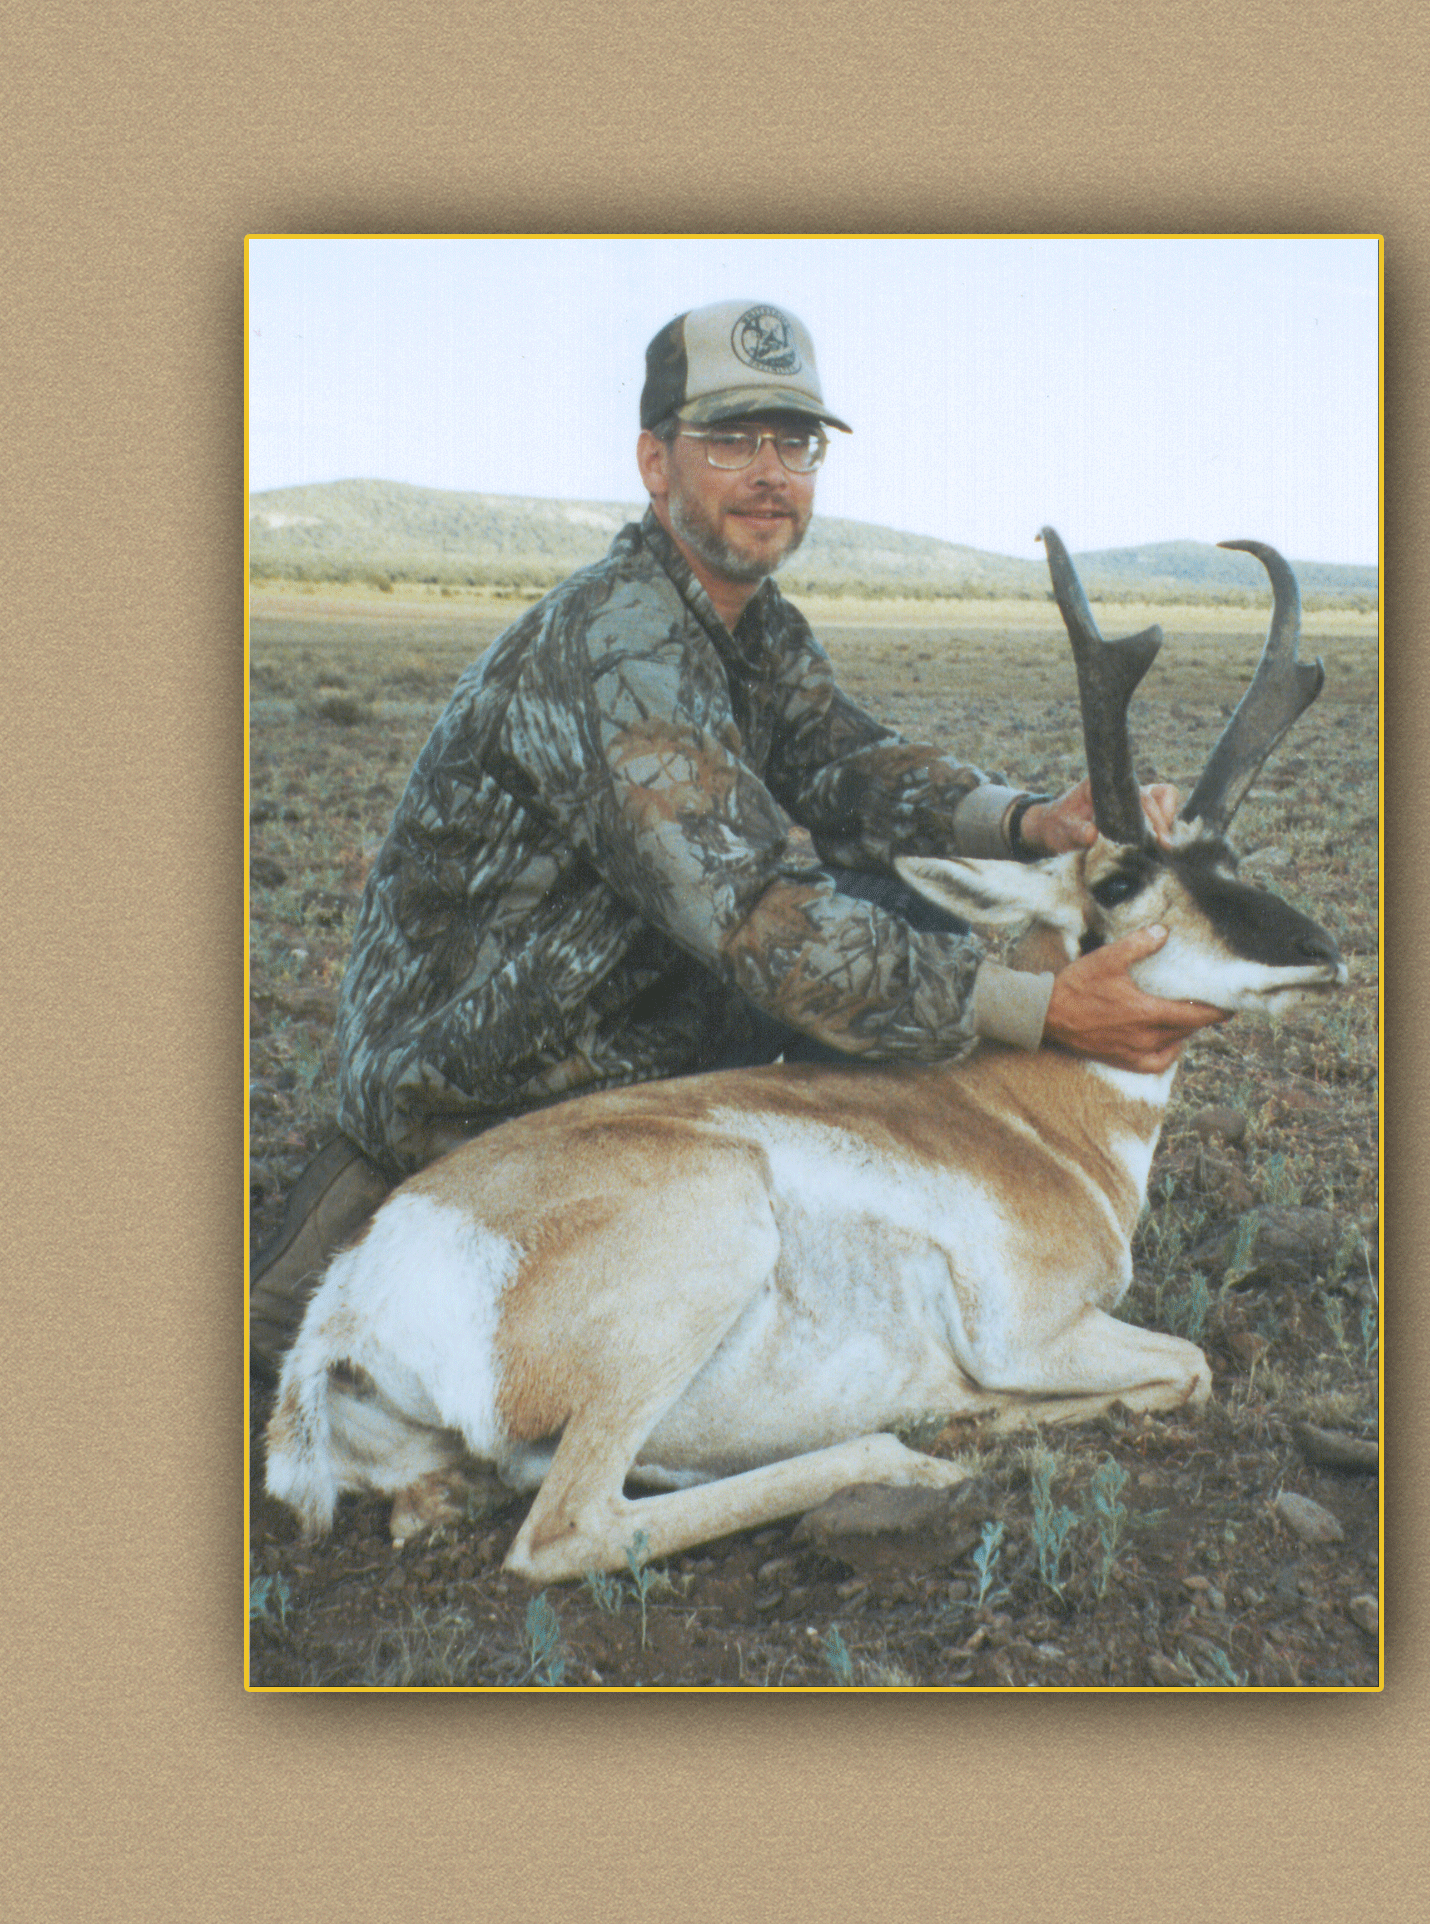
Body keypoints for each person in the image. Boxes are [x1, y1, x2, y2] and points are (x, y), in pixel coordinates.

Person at [249, 299, 1225, 1376]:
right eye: (728, 440)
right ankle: (369, 1229)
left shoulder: (752, 627)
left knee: (904, 901)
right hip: (481, 1066)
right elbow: (759, 920)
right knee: (852, 945)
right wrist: (1038, 1006)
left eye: (792, 442)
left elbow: (846, 760)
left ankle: (866, 1259)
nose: (769, 471)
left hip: (638, 1005)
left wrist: (1030, 820)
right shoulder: (618, 642)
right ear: (653, 462)